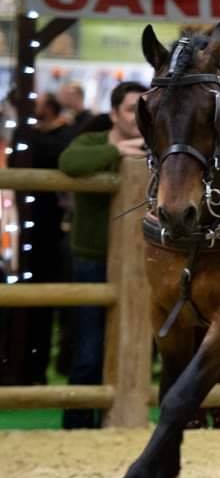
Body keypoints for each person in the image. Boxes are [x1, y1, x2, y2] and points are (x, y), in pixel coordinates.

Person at [57, 82, 146, 428]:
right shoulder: (91, 142)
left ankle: (119, 421)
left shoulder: (160, 146)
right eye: (129, 109)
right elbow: (70, 161)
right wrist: (119, 151)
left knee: (133, 349)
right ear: (113, 114)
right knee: (88, 350)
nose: (137, 116)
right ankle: (77, 427)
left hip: (143, 262)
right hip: (93, 257)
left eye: (142, 109)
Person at [5, 94, 74, 385]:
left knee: (44, 308)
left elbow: (44, 155)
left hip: (47, 233)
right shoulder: (39, 136)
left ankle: (35, 369)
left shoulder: (59, 137)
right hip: (28, 229)